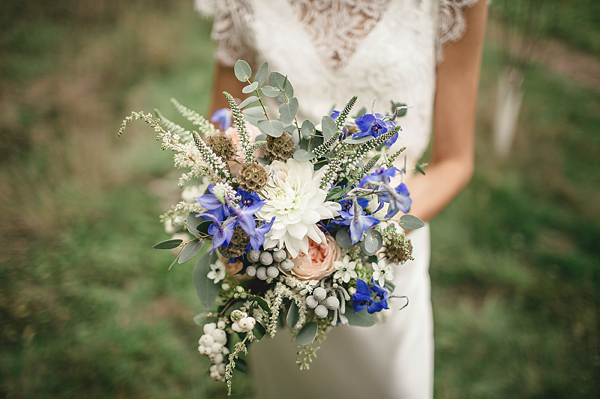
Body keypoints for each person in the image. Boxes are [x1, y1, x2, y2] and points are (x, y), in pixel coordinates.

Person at [197, 0, 487, 397]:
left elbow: (455, 161)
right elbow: (222, 128)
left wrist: (362, 233)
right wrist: (242, 228)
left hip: (381, 261)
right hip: (275, 255)